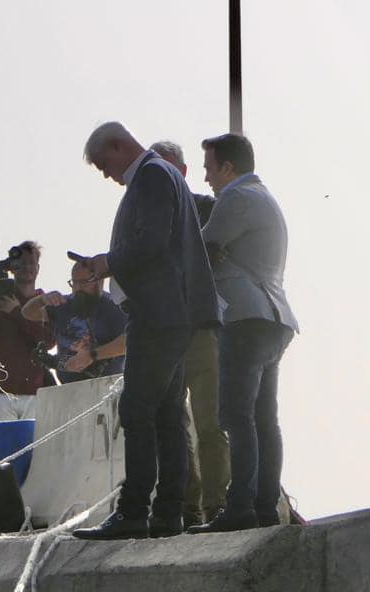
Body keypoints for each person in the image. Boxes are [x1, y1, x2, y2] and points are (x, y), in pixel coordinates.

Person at [73, 122, 219, 540]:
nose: (107, 175)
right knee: (168, 414)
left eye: (105, 164)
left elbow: (151, 242)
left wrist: (106, 262)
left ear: (119, 146)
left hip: (159, 314)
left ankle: (135, 509)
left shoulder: (152, 175)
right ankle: (167, 512)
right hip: (176, 314)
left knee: (137, 410)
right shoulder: (166, 174)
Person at [188, 132, 298, 533]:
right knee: (263, 418)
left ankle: (239, 508)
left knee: (235, 414)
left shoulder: (235, 199)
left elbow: (198, 251)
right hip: (275, 320)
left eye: (209, 168)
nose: (207, 178)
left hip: (245, 319)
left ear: (228, 168)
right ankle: (264, 506)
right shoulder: (264, 198)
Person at [152, 140, 230, 527]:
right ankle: (188, 506)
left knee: (210, 423)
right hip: (163, 335)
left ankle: (218, 505)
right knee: (172, 426)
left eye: (165, 168)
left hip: (201, 330)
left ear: (180, 172)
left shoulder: (208, 209)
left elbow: (216, 258)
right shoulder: (145, 216)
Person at [22, 260, 128, 381]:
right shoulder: (63, 304)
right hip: (67, 387)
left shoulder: (114, 306)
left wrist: (92, 355)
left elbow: (127, 341)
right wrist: (42, 300)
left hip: (105, 385)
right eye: (74, 282)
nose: (78, 288)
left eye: (83, 282)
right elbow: (28, 313)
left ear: (99, 280)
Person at [0, 241, 52, 422]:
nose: (27, 267)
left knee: (32, 449)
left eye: (31, 262)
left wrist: (17, 313)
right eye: (21, 263)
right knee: (3, 449)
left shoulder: (43, 300)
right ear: (12, 267)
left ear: (38, 267)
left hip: (33, 393)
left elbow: (48, 340)